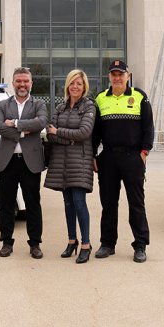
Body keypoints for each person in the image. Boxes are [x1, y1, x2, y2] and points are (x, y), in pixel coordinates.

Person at [91, 59, 154, 263]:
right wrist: (93, 154)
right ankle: (108, 244)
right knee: (108, 204)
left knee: (136, 203)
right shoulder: (100, 98)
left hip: (133, 157)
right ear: (109, 77)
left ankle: (140, 245)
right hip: (108, 157)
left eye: (121, 74)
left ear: (128, 76)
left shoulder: (139, 97)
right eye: (113, 74)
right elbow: (95, 132)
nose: (117, 78)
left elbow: (148, 128)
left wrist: (143, 153)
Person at [0, 66, 48, 259]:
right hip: (7, 161)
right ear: (13, 82)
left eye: (26, 81)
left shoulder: (39, 104)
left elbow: (41, 123)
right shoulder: (3, 104)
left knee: (33, 203)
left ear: (31, 83)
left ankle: (35, 244)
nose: (22, 84)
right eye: (19, 81)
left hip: (30, 161)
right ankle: (6, 242)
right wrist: (26, 130)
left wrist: (15, 124)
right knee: (6, 204)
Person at [44, 69, 96, 264]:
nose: (75, 87)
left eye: (79, 84)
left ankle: (86, 244)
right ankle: (71, 240)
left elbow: (84, 132)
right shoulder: (60, 108)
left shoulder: (89, 106)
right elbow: (50, 133)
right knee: (67, 204)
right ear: (67, 85)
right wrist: (68, 139)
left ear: (84, 87)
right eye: (72, 83)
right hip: (61, 163)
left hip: (79, 162)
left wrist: (60, 133)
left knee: (79, 202)